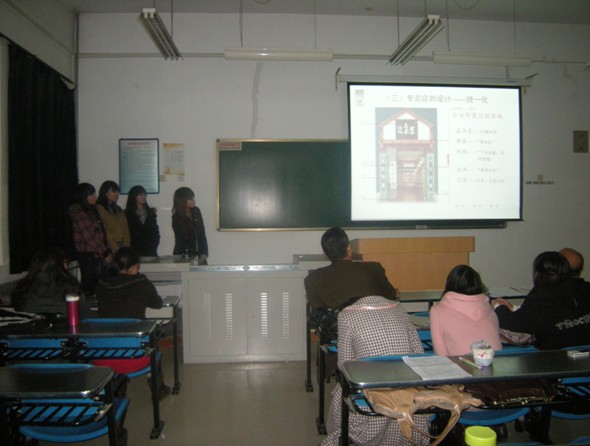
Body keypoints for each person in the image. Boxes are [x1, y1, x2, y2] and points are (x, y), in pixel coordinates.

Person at [321, 295, 428, 446]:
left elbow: (345, 364)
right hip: (409, 397)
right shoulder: (399, 309)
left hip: (371, 401)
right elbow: (418, 354)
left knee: (341, 389)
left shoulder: (346, 316)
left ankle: (341, 438)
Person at [94, 247, 170, 399]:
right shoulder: (141, 283)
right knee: (151, 339)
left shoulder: (101, 284)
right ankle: (158, 389)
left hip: (102, 355)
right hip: (135, 355)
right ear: (134, 267)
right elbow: (157, 304)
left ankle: (119, 387)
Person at [495, 251, 590, 350]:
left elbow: (514, 323)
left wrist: (500, 307)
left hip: (554, 354)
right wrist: (514, 309)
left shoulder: (542, 297)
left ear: (537, 273)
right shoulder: (585, 288)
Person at [304, 227, 397, 310]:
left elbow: (319, 313)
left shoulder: (312, 280)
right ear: (349, 248)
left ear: (324, 253)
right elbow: (391, 297)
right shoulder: (374, 269)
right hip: (378, 322)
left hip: (339, 324)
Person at [429, 265, 502, 356]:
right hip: (496, 362)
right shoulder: (489, 307)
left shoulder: (436, 311)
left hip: (461, 364)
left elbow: (441, 354)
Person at [11, 247, 90, 319]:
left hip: (31, 329)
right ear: (61, 265)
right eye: (66, 262)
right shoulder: (71, 287)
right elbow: (85, 317)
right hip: (66, 329)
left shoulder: (23, 287)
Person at [68, 182, 112, 296]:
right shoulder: (80, 215)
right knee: (90, 288)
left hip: (97, 255)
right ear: (83, 197)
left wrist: (107, 250)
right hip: (89, 258)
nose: (94, 197)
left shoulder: (92, 211)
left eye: (94, 194)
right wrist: (105, 253)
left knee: (101, 288)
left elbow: (102, 234)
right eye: (90, 195)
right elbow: (90, 238)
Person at [172, 187, 208, 264]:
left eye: (193, 198)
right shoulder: (177, 217)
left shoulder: (196, 211)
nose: (194, 201)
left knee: (203, 271)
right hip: (184, 255)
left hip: (199, 254)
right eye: (190, 199)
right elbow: (180, 240)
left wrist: (204, 252)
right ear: (182, 200)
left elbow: (202, 233)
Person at [125, 185, 160, 257]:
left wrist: (154, 245)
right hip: (134, 249)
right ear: (134, 196)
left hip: (151, 249)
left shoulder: (150, 212)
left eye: (145, 195)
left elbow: (155, 231)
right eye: (140, 195)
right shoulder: (127, 213)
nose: (143, 197)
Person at [96, 180, 131, 254]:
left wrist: (126, 246)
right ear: (105, 193)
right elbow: (105, 231)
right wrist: (115, 248)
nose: (117, 194)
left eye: (118, 192)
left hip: (123, 246)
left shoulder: (119, 209)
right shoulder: (99, 208)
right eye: (113, 192)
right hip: (108, 247)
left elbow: (126, 229)